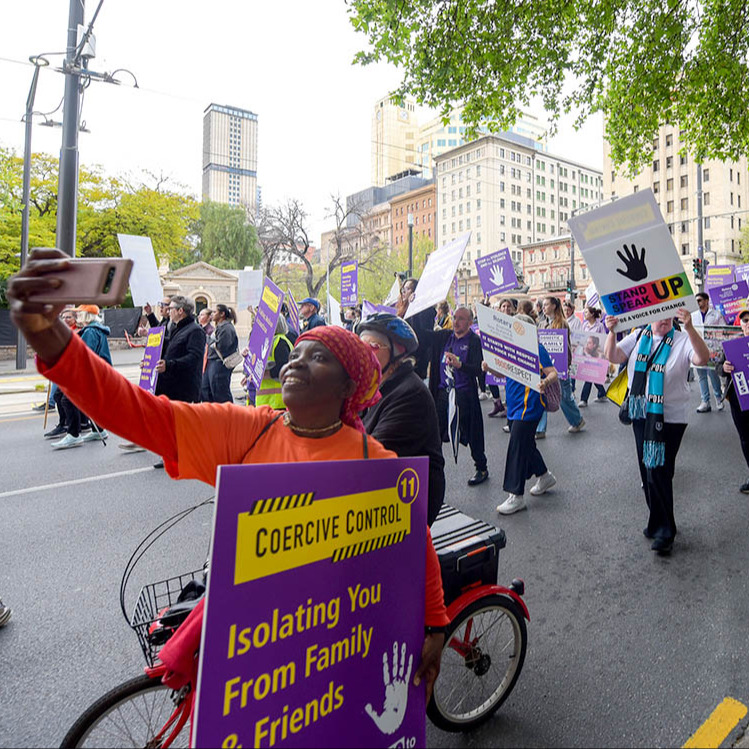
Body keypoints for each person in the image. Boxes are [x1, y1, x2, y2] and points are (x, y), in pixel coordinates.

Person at [9, 249, 448, 702]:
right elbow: (139, 413)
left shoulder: (371, 460)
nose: (295, 362)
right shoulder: (249, 429)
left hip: (329, 645)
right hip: (251, 644)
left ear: (347, 387)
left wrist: (435, 622)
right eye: (295, 354)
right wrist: (51, 337)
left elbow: (417, 539)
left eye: (318, 357)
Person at [604, 309, 710, 554]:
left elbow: (702, 359)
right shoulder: (639, 335)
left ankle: (665, 531)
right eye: (659, 315)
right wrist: (611, 332)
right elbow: (614, 355)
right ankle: (658, 519)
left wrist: (691, 328)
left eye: (669, 315)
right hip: (642, 414)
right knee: (648, 470)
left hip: (671, 417)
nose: (664, 319)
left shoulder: (682, 339)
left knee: (657, 471)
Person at [358, 313, 446, 525]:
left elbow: (368, 458)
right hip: (383, 494)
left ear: (398, 353)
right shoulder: (372, 388)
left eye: (373, 346)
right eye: (359, 345)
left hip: (410, 505)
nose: (363, 353)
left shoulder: (409, 394)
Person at [487, 314, 559, 515]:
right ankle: (544, 476)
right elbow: (503, 373)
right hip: (515, 404)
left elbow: (553, 372)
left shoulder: (537, 348)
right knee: (526, 443)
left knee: (517, 446)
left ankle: (516, 496)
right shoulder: (511, 349)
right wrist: (491, 367)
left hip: (531, 406)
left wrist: (545, 381)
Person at [428, 306, 489, 486]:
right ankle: (432, 470)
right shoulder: (445, 337)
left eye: (461, 318)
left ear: (470, 323)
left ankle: (481, 467)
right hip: (443, 393)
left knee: (472, 433)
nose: (456, 321)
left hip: (464, 394)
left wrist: (460, 364)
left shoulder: (474, 341)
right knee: (435, 433)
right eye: (455, 317)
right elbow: (423, 335)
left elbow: (479, 369)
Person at [52, 305, 112, 449]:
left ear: (87, 315)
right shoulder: (93, 329)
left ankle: (74, 435)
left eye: (80, 313)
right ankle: (99, 431)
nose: (77, 315)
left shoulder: (91, 331)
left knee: (67, 398)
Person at [535, 296, 585, 438]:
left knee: (564, 396)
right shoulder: (542, 324)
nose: (543, 307)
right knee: (542, 392)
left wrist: (567, 364)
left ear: (554, 306)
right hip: (545, 365)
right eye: (542, 305)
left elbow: (566, 347)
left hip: (560, 366)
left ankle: (577, 420)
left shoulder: (562, 323)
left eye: (546, 305)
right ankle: (540, 429)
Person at [715, 306, 749, 492]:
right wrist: (724, 368)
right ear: (740, 324)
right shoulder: (732, 346)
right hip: (739, 400)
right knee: (745, 439)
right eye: (745, 321)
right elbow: (717, 367)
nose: (748, 323)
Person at [692, 292, 725, 413]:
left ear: (707, 301)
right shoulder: (693, 315)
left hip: (713, 351)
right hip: (698, 350)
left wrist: (720, 349)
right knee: (701, 376)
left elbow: (723, 331)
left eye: (700, 300)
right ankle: (705, 401)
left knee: (713, 374)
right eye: (696, 301)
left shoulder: (716, 315)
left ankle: (718, 398)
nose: (698, 303)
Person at [396, 277, 435, 379]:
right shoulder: (402, 309)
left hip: (417, 359)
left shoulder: (424, 310)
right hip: (402, 357)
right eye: (403, 289)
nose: (404, 292)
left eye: (408, 289)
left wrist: (415, 305)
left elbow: (421, 334)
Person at [254, 316, 293, 409]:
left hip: (277, 402)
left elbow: (283, 367)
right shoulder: (268, 341)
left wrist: (266, 373)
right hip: (268, 401)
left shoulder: (279, 341)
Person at [202, 304, 239, 403]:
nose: (212, 315)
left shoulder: (226, 328)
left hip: (219, 363)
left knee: (220, 393)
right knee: (207, 390)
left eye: (215, 312)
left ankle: (227, 416)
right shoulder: (220, 326)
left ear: (222, 314)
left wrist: (209, 340)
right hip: (213, 362)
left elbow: (223, 346)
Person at [578, 306, 608, 406]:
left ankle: (584, 399)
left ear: (592, 314)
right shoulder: (584, 325)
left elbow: (603, 340)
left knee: (589, 376)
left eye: (586, 312)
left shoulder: (599, 326)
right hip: (586, 354)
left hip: (595, 355)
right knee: (592, 375)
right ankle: (602, 393)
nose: (584, 314)